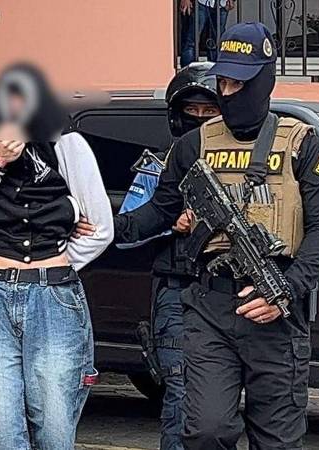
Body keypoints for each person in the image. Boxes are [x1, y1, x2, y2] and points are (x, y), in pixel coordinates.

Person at [114, 23, 319, 449]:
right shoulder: (193, 145)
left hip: (276, 314)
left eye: (239, 83)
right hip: (209, 308)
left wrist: (287, 288)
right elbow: (158, 210)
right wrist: (104, 225)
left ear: (264, 81)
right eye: (223, 82)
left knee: (276, 441)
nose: (228, 91)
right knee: (206, 430)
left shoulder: (303, 145)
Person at [0, 63, 114, 450]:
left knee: (54, 423)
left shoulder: (66, 140)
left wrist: (58, 259)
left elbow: (101, 227)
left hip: (54, 294)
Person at [115, 62, 220, 450]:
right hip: (178, 292)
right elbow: (126, 230)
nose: (200, 118)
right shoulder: (157, 166)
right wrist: (169, 222)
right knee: (181, 393)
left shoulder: (239, 163)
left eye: (209, 111)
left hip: (229, 292)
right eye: (192, 111)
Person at [180, 0, 236, 67]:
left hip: (222, 5)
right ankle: (187, 70)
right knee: (191, 41)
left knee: (216, 43)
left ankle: (215, 70)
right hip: (201, 3)